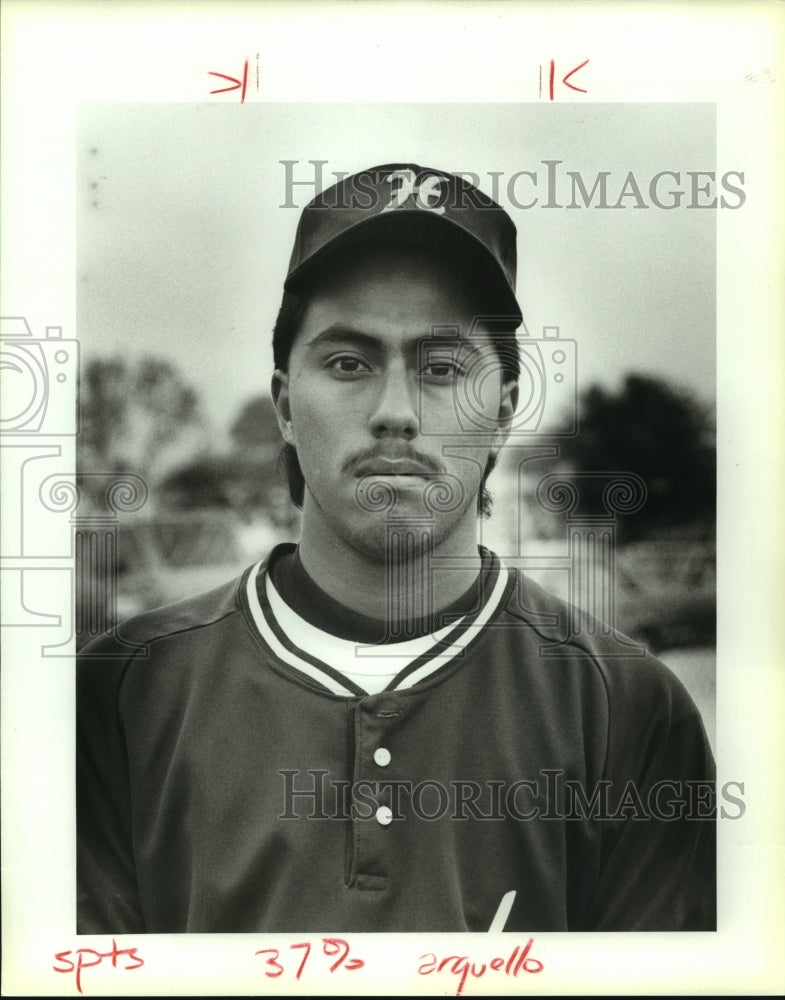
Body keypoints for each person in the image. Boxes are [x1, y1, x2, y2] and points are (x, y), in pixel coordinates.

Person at [77, 163, 716, 934]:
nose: (395, 412)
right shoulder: (122, 693)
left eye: (442, 368)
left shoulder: (626, 709)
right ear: (284, 404)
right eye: (348, 363)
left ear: (504, 411)